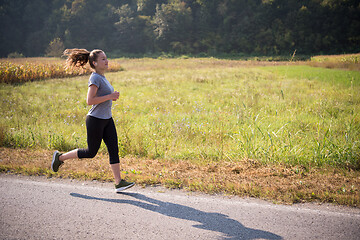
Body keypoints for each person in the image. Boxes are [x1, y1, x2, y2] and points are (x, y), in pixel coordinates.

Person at [51, 48, 134, 192]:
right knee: (91, 152)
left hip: (107, 119)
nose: (106, 61)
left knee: (114, 150)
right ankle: (60, 158)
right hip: (95, 120)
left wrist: (111, 96)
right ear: (94, 63)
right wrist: (110, 96)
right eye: (103, 59)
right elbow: (90, 100)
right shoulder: (95, 77)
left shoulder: (102, 77)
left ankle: (118, 182)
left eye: (106, 58)